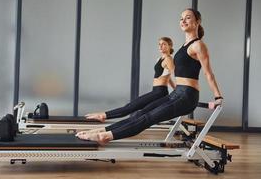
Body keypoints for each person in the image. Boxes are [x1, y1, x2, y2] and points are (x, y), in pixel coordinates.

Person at [76, 8, 223, 145]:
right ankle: (104, 130)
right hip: (178, 93)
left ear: (197, 22)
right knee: (140, 113)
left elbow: (208, 73)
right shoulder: (184, 45)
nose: (183, 21)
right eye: (181, 18)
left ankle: (105, 136)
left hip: (187, 96)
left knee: (148, 118)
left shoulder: (198, 45)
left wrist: (218, 97)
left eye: (188, 18)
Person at [84, 37, 175, 123]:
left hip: (160, 92)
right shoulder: (159, 59)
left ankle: (103, 116)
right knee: (132, 106)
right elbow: (168, 76)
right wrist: (174, 88)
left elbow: (175, 73)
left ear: (170, 46)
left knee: (131, 107)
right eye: (159, 44)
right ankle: (104, 115)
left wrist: (179, 90)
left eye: (164, 44)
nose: (160, 46)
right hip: (155, 91)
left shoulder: (168, 59)